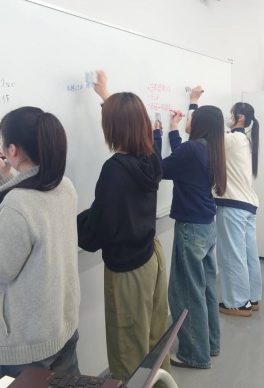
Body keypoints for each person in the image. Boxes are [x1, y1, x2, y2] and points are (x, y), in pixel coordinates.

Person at [0, 106, 80, 382]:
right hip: (61, 327)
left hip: (27, 346)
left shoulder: (18, 203)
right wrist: (10, 177)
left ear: (12, 149)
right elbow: (34, 212)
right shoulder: (64, 186)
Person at [77, 71, 169, 381]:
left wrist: (70, 221)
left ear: (113, 128)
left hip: (128, 268)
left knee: (128, 352)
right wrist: (105, 96)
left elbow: (98, 230)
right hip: (151, 256)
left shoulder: (115, 169)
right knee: (154, 342)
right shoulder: (150, 158)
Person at [153, 87, 227, 369]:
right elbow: (181, 160)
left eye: (193, 117)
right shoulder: (210, 149)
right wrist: (173, 132)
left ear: (200, 124)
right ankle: (210, 344)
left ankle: (195, 354)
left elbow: (159, 169)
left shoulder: (192, 150)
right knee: (205, 289)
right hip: (206, 227)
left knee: (185, 292)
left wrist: (156, 136)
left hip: (191, 229)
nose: (188, 118)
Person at [216, 102, 261, 317]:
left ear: (240, 118)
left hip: (232, 205)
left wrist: (193, 107)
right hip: (247, 205)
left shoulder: (232, 139)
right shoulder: (246, 141)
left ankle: (238, 303)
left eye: (231, 112)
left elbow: (201, 136)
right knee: (248, 254)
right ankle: (252, 298)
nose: (228, 115)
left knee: (231, 255)